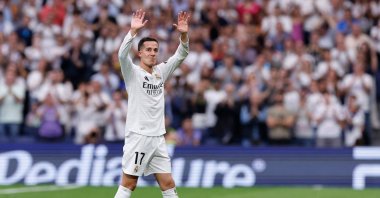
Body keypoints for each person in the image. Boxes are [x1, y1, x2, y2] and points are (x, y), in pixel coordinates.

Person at [114, 9, 190, 198]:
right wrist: (132, 32)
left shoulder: (160, 72)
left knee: (168, 183)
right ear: (139, 53)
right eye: (148, 50)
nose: (152, 53)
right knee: (129, 183)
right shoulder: (132, 73)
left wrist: (183, 34)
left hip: (158, 137)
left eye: (155, 50)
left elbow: (181, 54)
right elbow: (122, 55)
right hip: (139, 135)